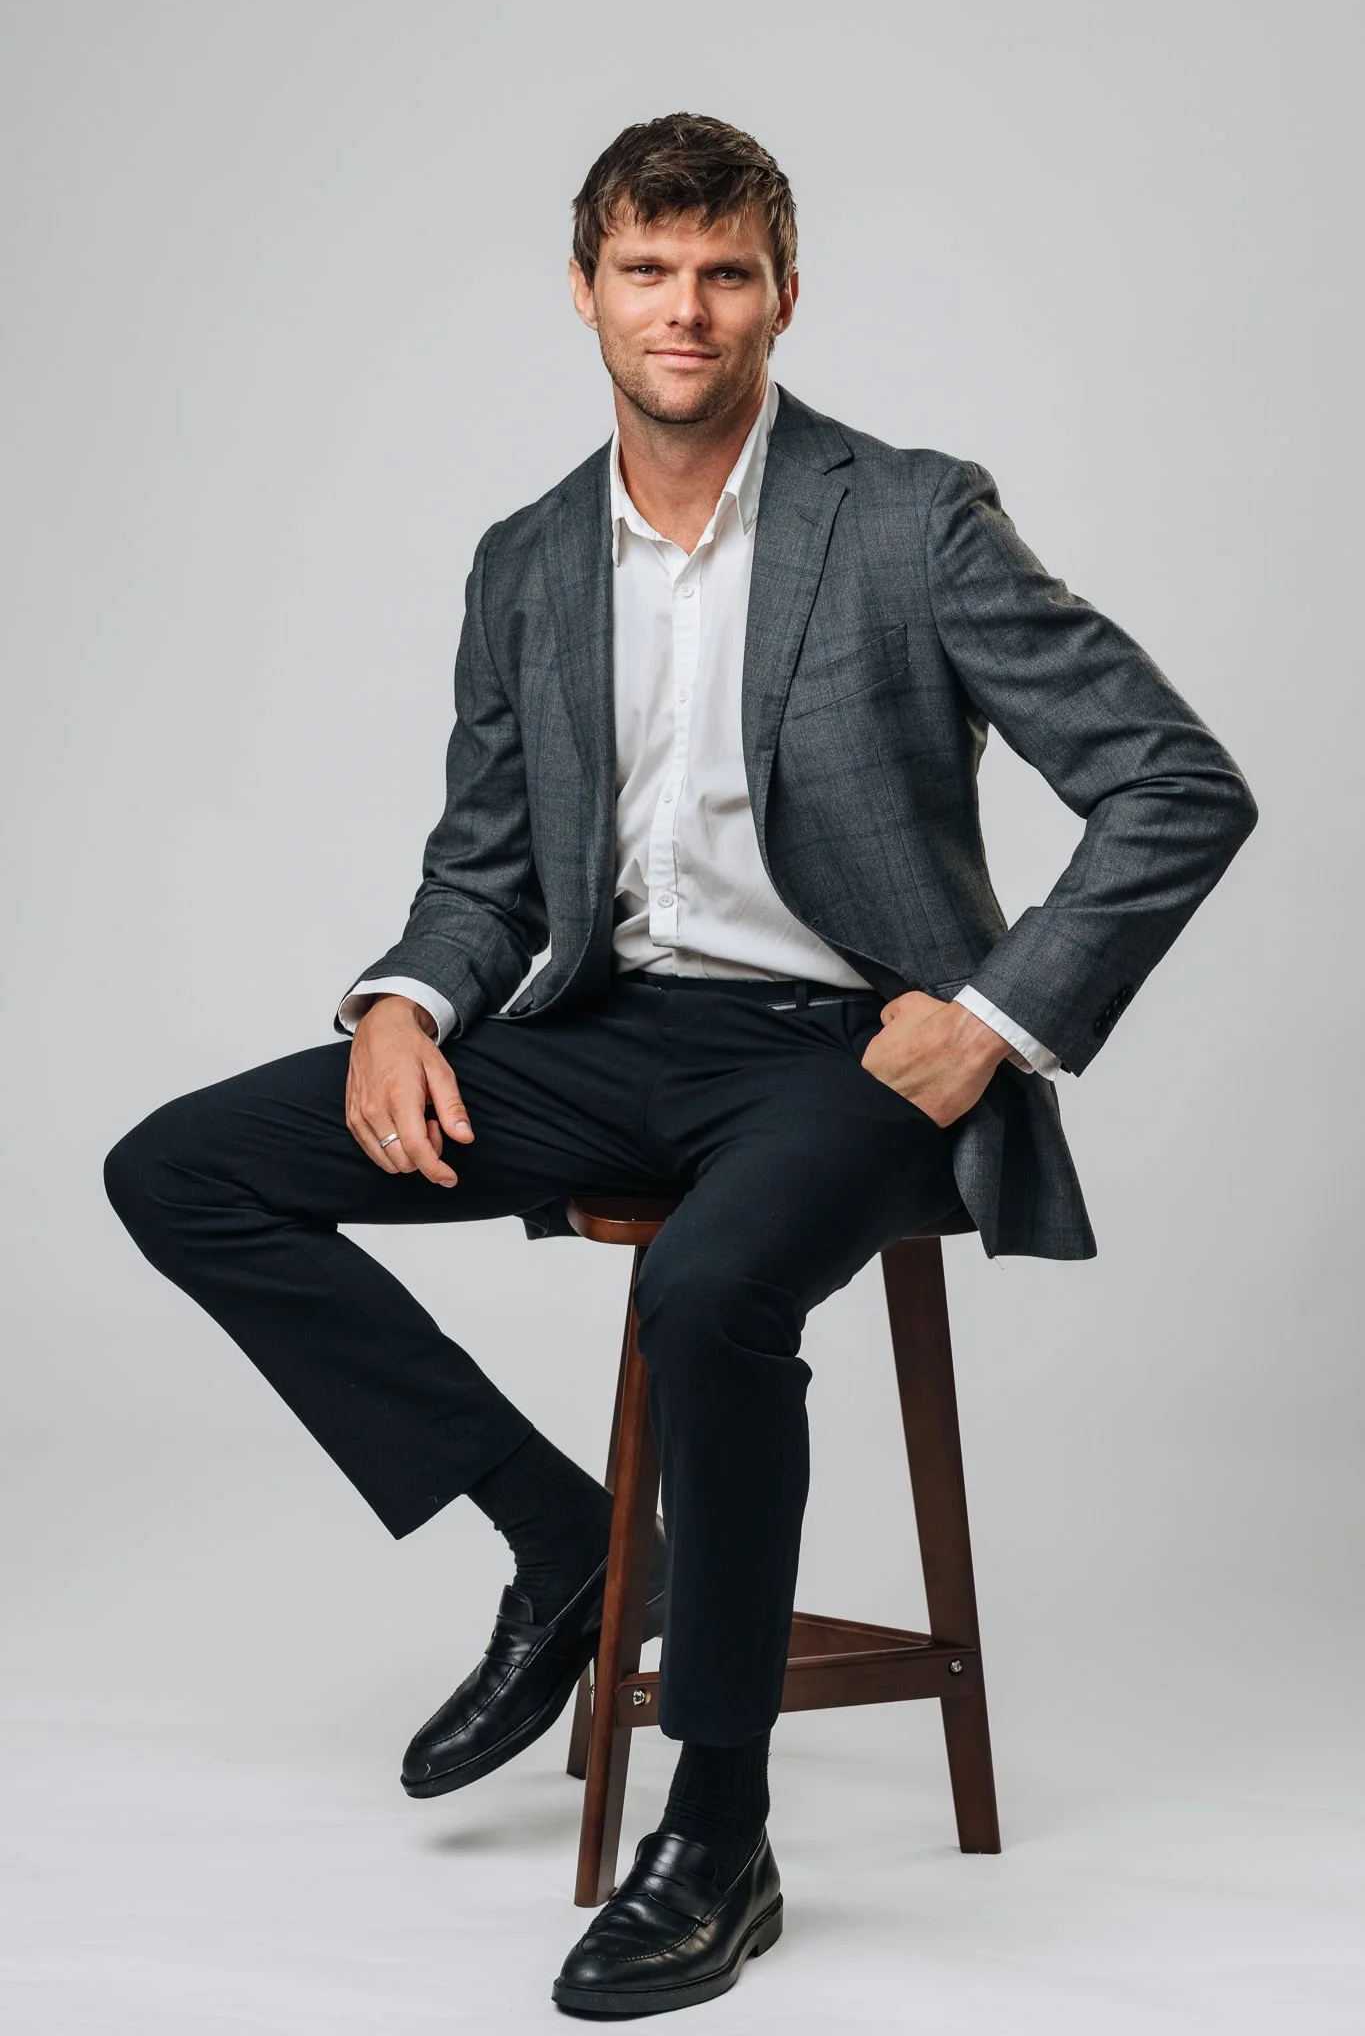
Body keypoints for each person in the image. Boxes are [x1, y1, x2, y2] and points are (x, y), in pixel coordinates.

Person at [103, 112, 1257, 2016]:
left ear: (783, 294)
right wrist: (405, 998)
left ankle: (719, 1831)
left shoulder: (908, 515)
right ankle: (564, 1542)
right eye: (649, 269)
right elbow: (485, 872)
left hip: (847, 1051)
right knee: (182, 1168)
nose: (686, 307)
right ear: (584, 292)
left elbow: (1173, 784)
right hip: (611, 1030)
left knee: (711, 1294)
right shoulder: (530, 559)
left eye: (724, 271)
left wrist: (989, 1022)